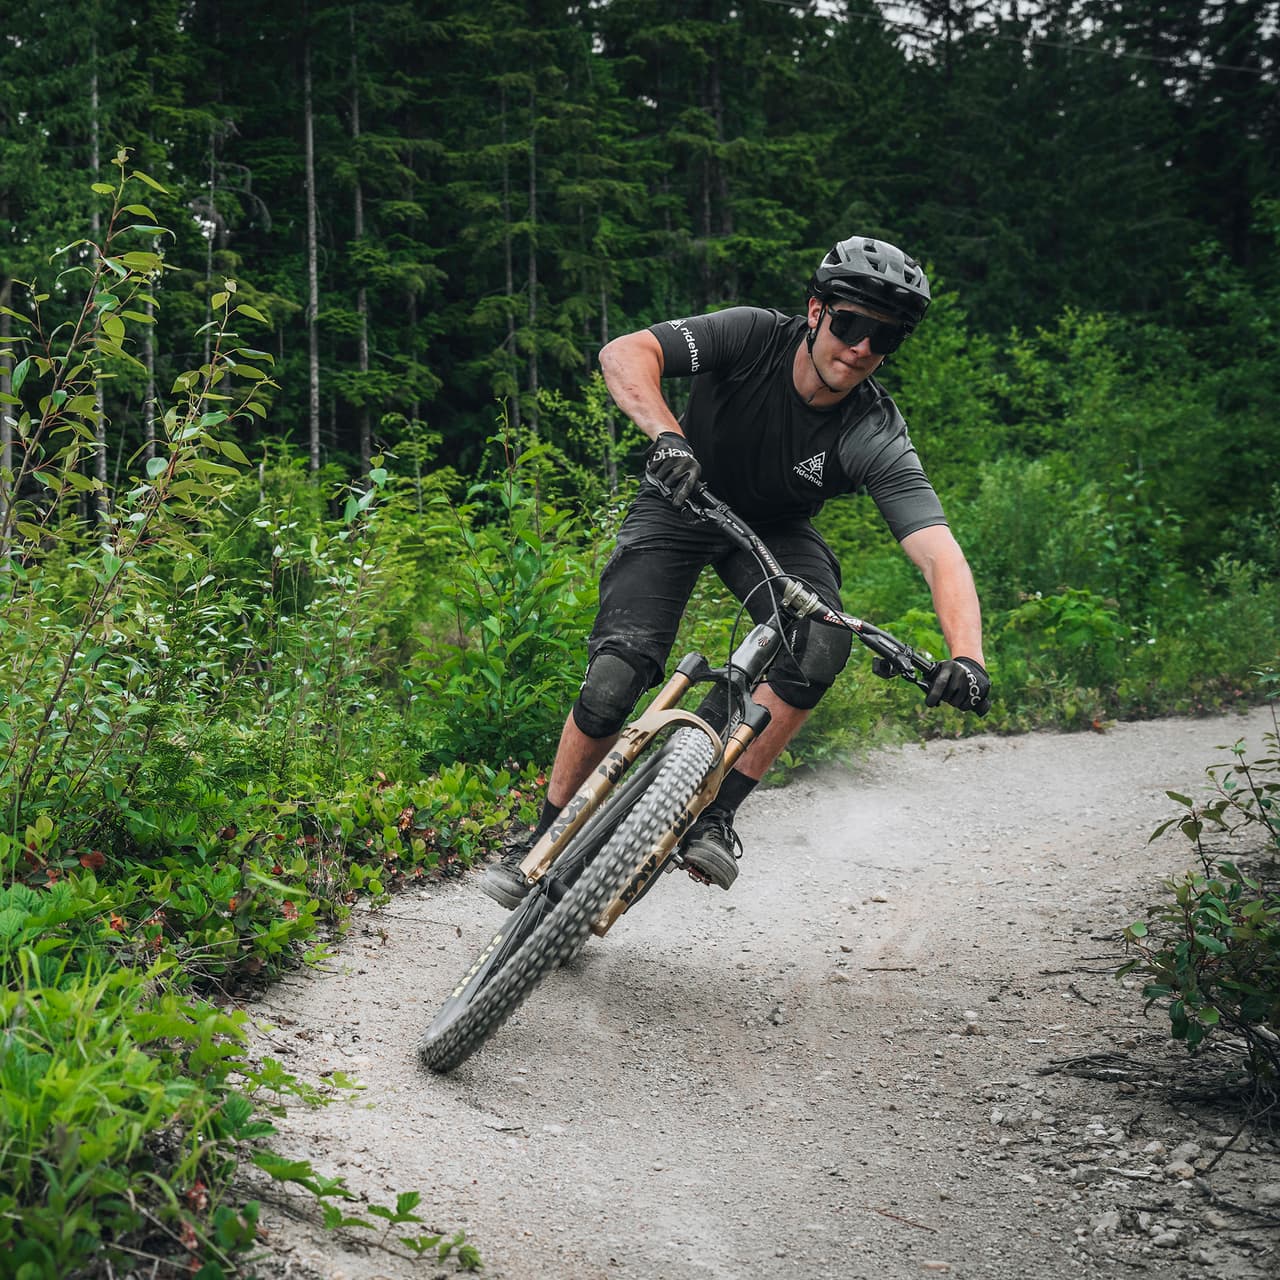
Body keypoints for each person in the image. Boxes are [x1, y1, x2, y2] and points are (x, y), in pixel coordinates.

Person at [482, 235, 989, 908]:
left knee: (821, 641)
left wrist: (968, 657)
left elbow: (937, 550)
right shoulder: (751, 337)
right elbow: (625, 353)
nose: (861, 347)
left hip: (774, 531)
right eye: (849, 324)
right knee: (616, 674)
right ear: (816, 312)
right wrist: (669, 437)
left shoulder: (872, 428)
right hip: (680, 499)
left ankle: (713, 812)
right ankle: (543, 840)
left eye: (884, 337)